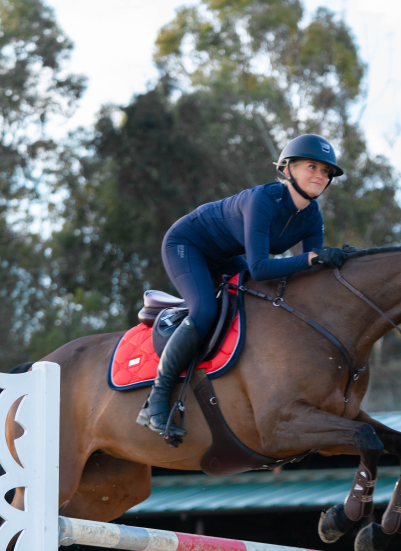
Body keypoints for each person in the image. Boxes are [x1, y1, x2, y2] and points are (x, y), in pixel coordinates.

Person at [136, 133, 351, 438]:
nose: (321, 176)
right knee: (205, 310)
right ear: (288, 169)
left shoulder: (312, 216)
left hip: (226, 256)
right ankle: (156, 401)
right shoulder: (262, 201)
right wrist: (314, 260)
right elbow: (261, 267)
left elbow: (308, 274)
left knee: (259, 300)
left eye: (326, 172)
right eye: (312, 167)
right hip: (187, 244)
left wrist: (336, 263)